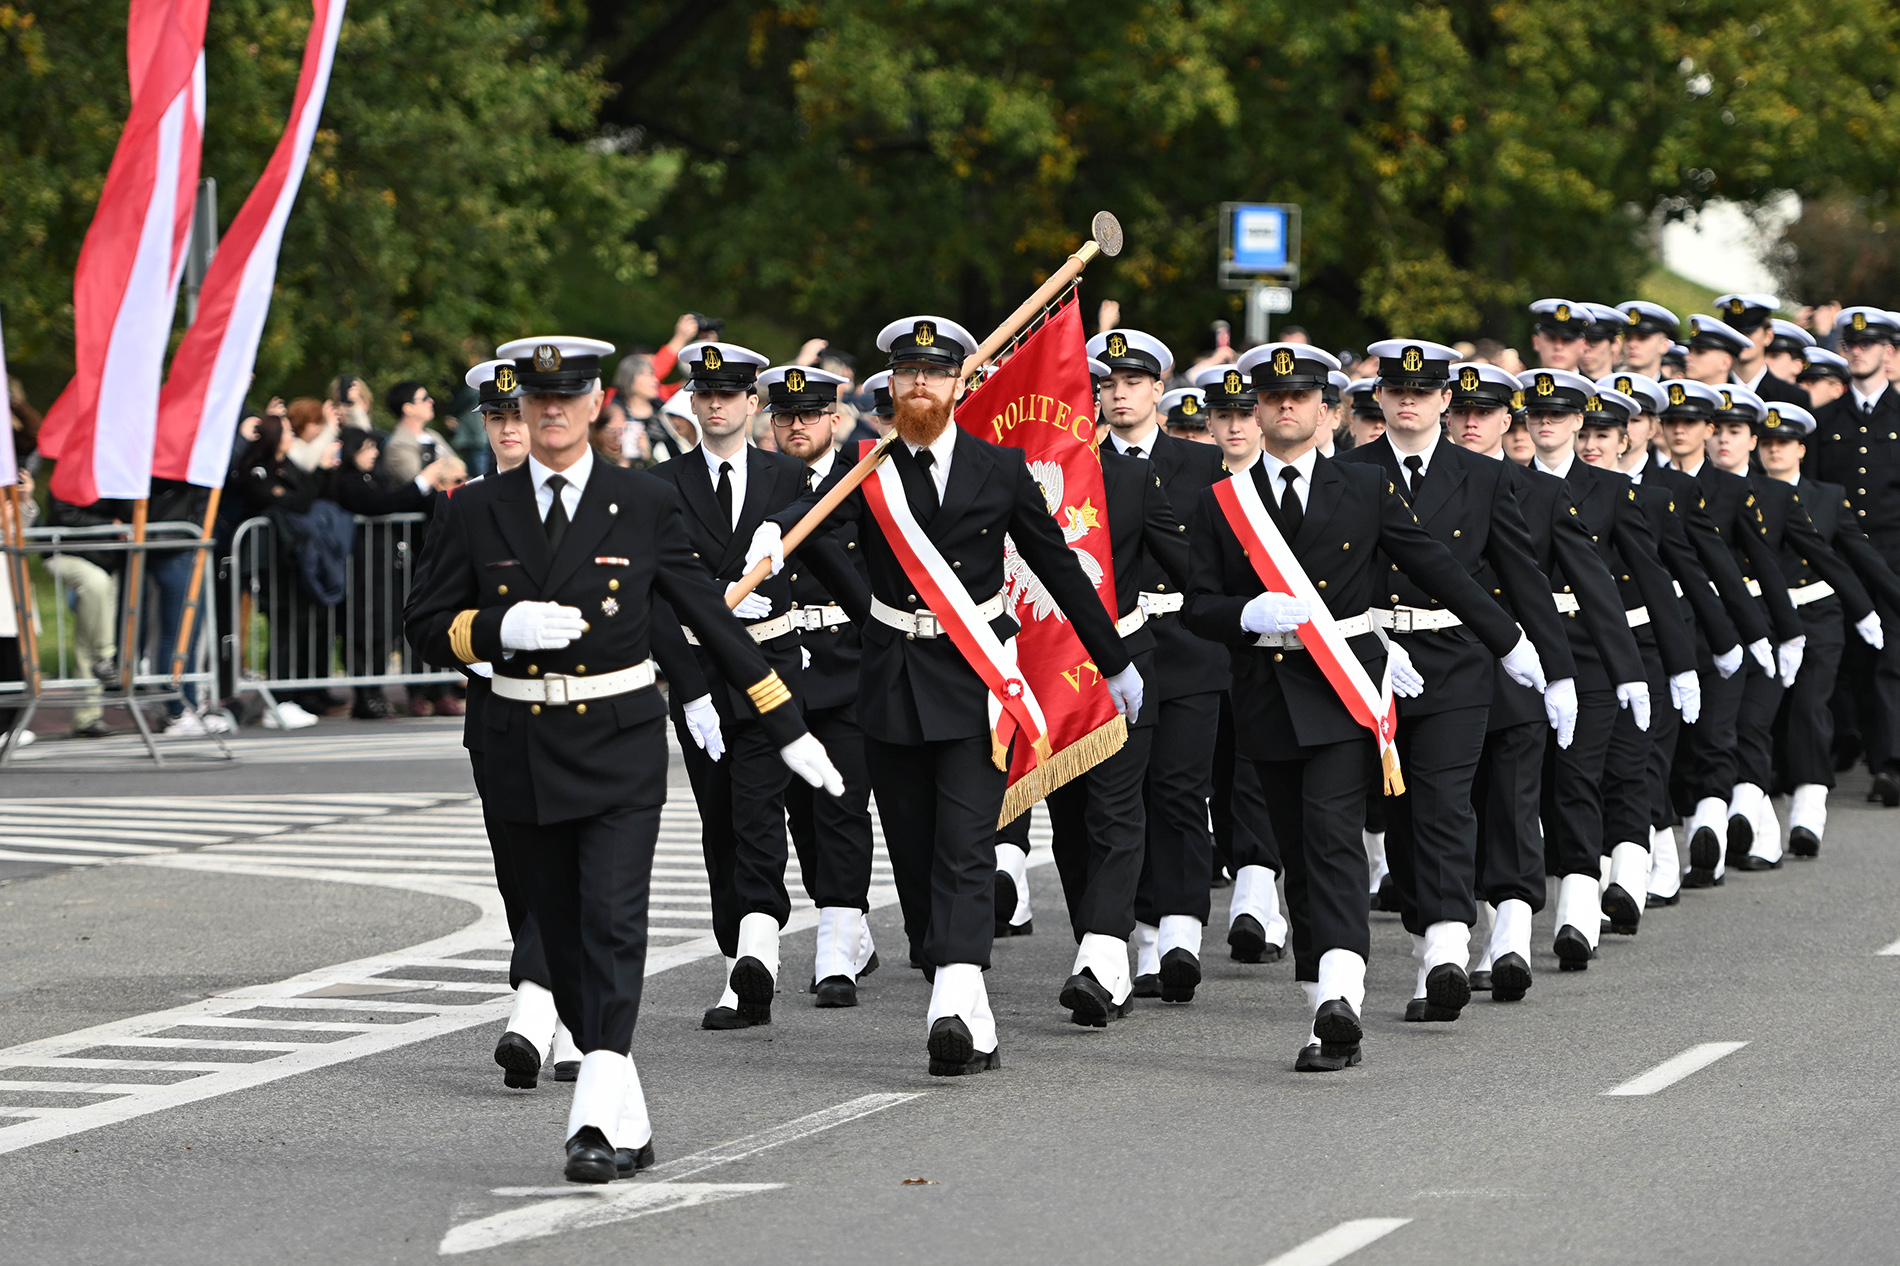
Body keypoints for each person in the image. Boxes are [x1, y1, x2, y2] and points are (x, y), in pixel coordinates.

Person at [406, 334, 842, 1184]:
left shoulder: (637, 502)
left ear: (597, 401)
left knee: (610, 921)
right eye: (536, 401)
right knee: (558, 931)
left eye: (567, 398)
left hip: (616, 742)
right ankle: (627, 1105)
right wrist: (497, 630)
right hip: (520, 745)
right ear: (522, 412)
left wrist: (782, 720)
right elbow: (425, 621)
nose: (552, 413)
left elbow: (703, 614)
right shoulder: (476, 510)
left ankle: (596, 1113)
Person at [752, 314, 1142, 1076]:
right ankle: (967, 1002)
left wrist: (1114, 659)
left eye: (934, 373)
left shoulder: (1000, 468)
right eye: (907, 375)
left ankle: (954, 1001)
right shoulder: (867, 466)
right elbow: (813, 523)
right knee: (914, 846)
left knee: (967, 844)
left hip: (976, 680)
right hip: (893, 680)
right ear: (891, 388)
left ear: (961, 384)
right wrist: (779, 535)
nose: (920, 385)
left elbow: (1059, 567)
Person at [1183, 342, 1542, 1071]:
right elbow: (1196, 602)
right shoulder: (1223, 502)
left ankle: (1340, 996)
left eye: (1303, 398)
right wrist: (1243, 613)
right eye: (1273, 398)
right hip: (1267, 697)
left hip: (1345, 689)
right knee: (1299, 856)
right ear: (1256, 409)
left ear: (1329, 410)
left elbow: (1435, 564)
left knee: (1333, 838)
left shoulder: (1361, 488)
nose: (1287, 408)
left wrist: (1509, 640)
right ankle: (1322, 995)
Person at [1341, 341, 1574, 1018]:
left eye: (1424, 391)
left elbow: (1524, 578)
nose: (1409, 400)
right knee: (1399, 813)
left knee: (1446, 801)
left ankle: (1444, 947)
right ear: (1379, 399)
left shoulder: (1483, 477)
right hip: (1371, 654)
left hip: (1457, 655)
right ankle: (1426, 934)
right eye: (1396, 390)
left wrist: (1552, 670)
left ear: (1444, 401)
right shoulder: (1347, 471)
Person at [647, 344, 867, 1030]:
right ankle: (737, 950)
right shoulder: (661, 484)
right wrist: (688, 684)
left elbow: (836, 542)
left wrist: (886, 637)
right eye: (703, 394)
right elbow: (654, 594)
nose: (715, 405)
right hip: (702, 674)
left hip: (775, 674)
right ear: (692, 403)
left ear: (751, 406)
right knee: (722, 827)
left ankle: (757, 956)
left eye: (729, 395)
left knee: (759, 811)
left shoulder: (784, 479)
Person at [1516, 368, 1680, 965]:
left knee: (1584, 777)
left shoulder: (1611, 493)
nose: (1548, 425)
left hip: (1593, 651)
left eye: (1558, 416)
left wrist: (1665, 666)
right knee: (1541, 783)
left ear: (1581, 421)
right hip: (1523, 646)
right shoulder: (1507, 484)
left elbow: (1649, 584)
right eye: (1536, 416)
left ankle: (1579, 910)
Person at [764, 365, 883, 1006]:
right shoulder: (759, 489)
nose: (797, 426)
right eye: (785, 416)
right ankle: (850, 927)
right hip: (780, 671)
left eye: (809, 414)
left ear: (835, 418)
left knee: (841, 806)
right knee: (801, 817)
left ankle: (835, 945)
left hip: (850, 664)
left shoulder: (863, 477)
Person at [1655, 378, 1801, 885]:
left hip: (1723, 627)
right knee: (1676, 741)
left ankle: (1712, 842)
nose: (1679, 431)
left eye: (1690, 422)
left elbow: (1761, 563)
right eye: (1670, 422)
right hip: (1663, 623)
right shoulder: (1645, 481)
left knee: (1719, 734)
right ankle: (1698, 836)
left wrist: (1783, 632)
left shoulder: (1735, 489)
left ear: (1708, 429)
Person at [1757, 401, 1899, 854]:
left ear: (1801, 448)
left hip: (1817, 612)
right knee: (1759, 715)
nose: (1775, 451)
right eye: (1767, 443)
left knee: (1809, 709)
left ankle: (1808, 812)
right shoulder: (1744, 494)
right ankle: (1755, 817)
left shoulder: (1826, 496)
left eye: (1784, 443)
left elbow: (1863, 557)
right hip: (1761, 615)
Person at [1195, 365, 1293, 955]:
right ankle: (1242, 876)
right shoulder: (1195, 482)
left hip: (1270, 657)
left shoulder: (1282, 483)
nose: (1235, 426)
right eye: (1223, 415)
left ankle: (1257, 898)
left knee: (1257, 774)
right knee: (1215, 776)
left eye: (1244, 414)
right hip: (1204, 648)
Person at [1806, 307, 1900, 804]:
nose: (1858, 351)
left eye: (1869, 344)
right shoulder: (1824, 421)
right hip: (1839, 556)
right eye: (1851, 344)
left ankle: (1888, 764)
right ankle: (1833, 749)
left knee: (1888, 660)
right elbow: (1816, 492)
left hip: (1891, 556)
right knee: (1838, 658)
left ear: (1888, 351)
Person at [42, 490, 127, 737]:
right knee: (95, 584)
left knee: (86, 636)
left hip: (106, 559)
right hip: (70, 555)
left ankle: (86, 717)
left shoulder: (118, 470)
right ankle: (106, 654)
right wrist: (109, 524)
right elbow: (63, 513)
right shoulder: (72, 465)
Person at [1713, 294, 1810, 406]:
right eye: (1734, 333)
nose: (1741, 339)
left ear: (1768, 336)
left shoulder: (1793, 397)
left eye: (1748, 332)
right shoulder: (1714, 388)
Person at [1615, 301, 1681, 378]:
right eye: (1628, 338)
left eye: (1642, 338)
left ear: (1664, 345)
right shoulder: (1605, 386)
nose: (1632, 344)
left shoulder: (1666, 389)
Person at [1529, 299, 1590, 370]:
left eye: (1567, 340)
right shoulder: (1521, 381)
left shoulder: (1594, 381)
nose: (1558, 347)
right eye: (1551, 338)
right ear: (1536, 342)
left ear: (1582, 346)